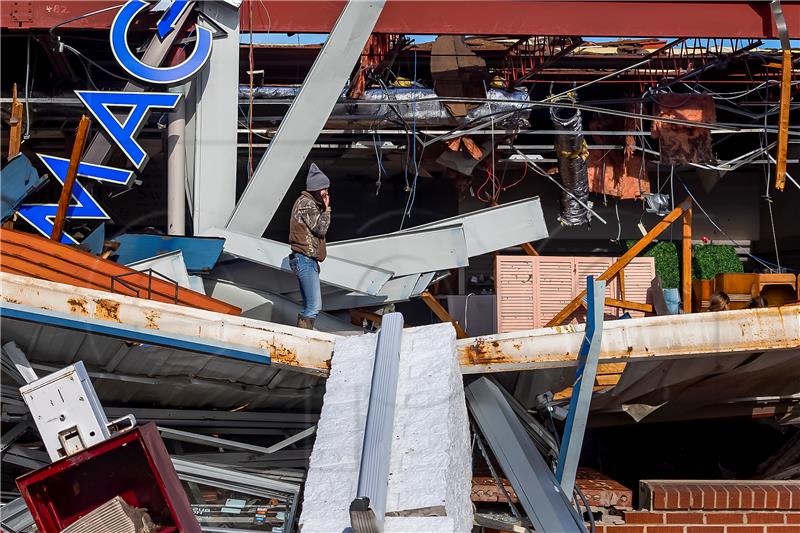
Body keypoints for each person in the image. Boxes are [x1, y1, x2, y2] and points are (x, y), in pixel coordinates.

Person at [289, 163, 332, 329]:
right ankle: (304, 339)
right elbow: (320, 229)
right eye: (324, 190)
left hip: (305, 260)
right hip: (305, 259)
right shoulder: (307, 204)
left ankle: (302, 336)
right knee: (314, 306)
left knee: (309, 306)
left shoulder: (308, 203)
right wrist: (327, 209)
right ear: (317, 189)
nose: (326, 193)